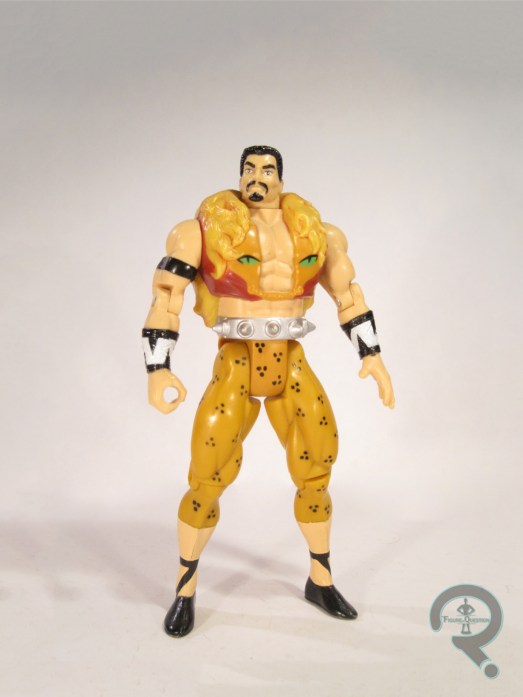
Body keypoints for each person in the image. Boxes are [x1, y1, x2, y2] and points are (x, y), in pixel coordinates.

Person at [142, 145, 395, 637]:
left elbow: (348, 295)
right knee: (207, 474)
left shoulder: (316, 232)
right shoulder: (202, 230)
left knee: (317, 464)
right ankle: (185, 589)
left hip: (290, 359)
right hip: (236, 360)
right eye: (249, 169)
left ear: (281, 176)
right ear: (240, 174)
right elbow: (167, 295)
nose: (256, 176)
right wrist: (158, 368)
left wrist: (372, 354)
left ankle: (320, 579)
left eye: (267, 169)